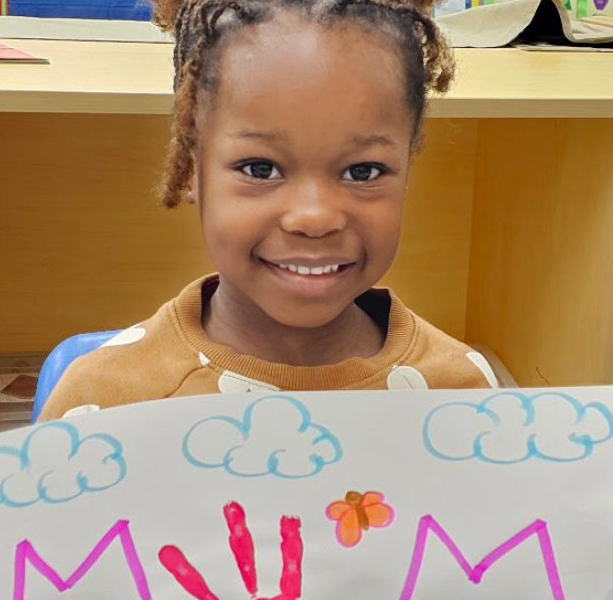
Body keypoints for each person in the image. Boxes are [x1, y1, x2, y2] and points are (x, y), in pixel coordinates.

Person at [36, 0, 498, 421]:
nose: (314, 218)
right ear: (191, 168)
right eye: (261, 168)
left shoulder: (462, 397)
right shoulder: (103, 407)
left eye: (363, 172)